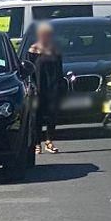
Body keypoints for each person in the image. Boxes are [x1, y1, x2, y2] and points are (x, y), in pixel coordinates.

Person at [27, 22, 64, 154]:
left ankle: (49, 141)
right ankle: (37, 144)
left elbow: (59, 70)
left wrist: (59, 86)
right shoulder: (33, 50)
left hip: (52, 89)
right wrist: (32, 86)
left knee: (51, 116)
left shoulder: (55, 50)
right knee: (36, 117)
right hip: (38, 88)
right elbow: (29, 70)